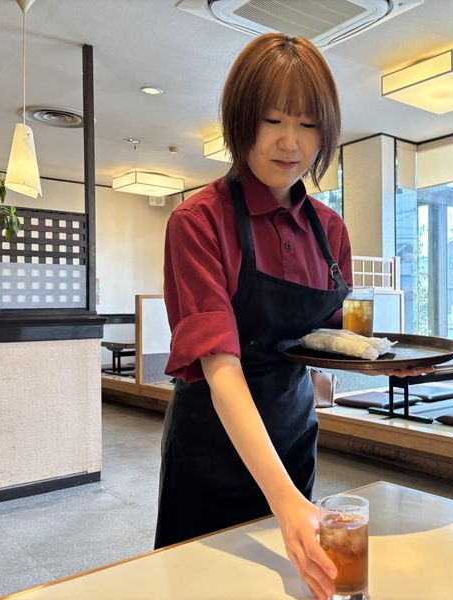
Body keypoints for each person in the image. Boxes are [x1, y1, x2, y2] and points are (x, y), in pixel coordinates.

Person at [155, 33, 429, 600]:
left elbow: (321, 341)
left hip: (293, 435)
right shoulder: (198, 222)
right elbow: (221, 368)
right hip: (212, 447)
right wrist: (285, 504)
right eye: (272, 120)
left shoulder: (330, 230)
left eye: (307, 124)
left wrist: (382, 363)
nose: (290, 142)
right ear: (240, 121)